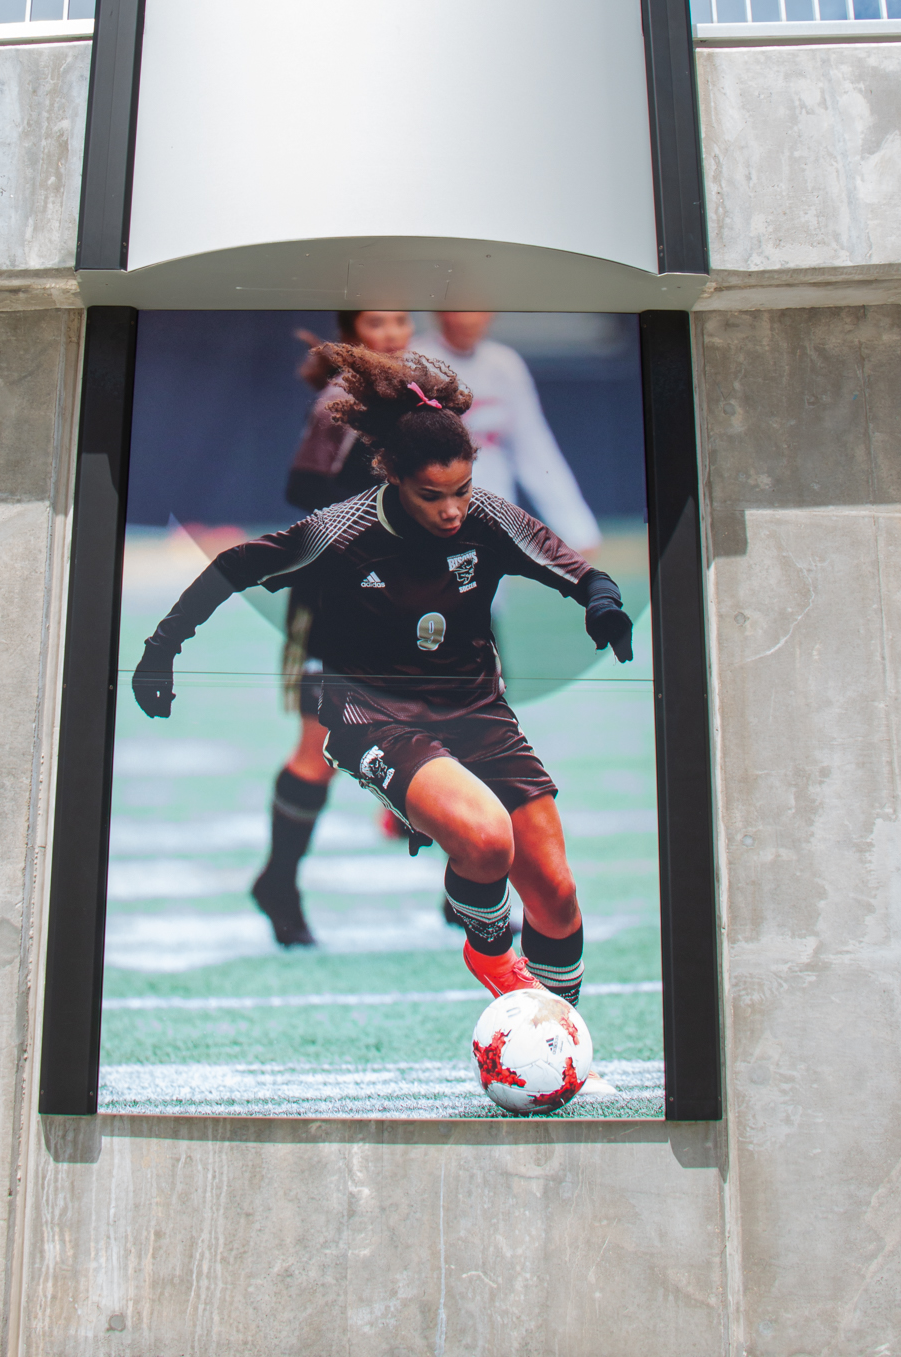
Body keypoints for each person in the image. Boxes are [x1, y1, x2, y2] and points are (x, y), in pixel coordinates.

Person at [132, 347, 634, 1006]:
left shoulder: (486, 515)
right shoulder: (341, 532)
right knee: (486, 839)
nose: (453, 509)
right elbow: (232, 565)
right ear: (394, 476)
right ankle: (490, 952)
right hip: (375, 716)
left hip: (478, 711)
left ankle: (560, 1032)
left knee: (557, 893)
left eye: (461, 489)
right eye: (433, 495)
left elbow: (580, 572)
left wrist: (603, 605)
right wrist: (161, 648)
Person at [251, 309, 415, 948]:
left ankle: (463, 894)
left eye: (402, 320)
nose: (394, 334)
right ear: (353, 336)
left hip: (405, 596)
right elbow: (303, 488)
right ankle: (279, 882)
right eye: (378, 323)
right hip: (339, 598)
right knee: (317, 749)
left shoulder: (418, 393)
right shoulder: (343, 400)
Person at [429, 312, 601, 556]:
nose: (468, 320)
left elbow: (535, 448)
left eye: (476, 309)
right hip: (435, 511)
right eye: (458, 309)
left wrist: (578, 530)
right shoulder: (416, 359)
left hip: (494, 511)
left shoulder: (505, 363)